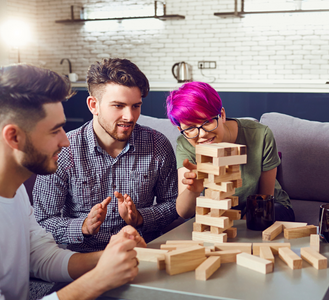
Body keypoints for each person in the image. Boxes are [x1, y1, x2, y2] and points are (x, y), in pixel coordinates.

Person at [0, 64, 147, 300]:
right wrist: (98, 279)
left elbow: (40, 256)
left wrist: (109, 257)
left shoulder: (15, 192)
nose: (65, 141)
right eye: (54, 130)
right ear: (14, 137)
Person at [33, 58, 179, 253]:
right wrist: (83, 227)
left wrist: (141, 217)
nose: (129, 116)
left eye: (136, 106)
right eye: (118, 106)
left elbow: (172, 204)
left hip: (143, 253)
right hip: (84, 259)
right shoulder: (64, 151)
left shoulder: (157, 145)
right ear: (93, 105)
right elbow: (42, 221)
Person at [165, 81, 295, 221]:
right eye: (190, 128)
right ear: (180, 129)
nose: (202, 134)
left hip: (267, 207)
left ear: (222, 114)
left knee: (258, 220)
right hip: (221, 214)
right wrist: (194, 190)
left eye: (207, 121)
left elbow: (264, 199)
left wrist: (240, 228)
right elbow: (184, 212)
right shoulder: (186, 144)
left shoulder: (260, 135)